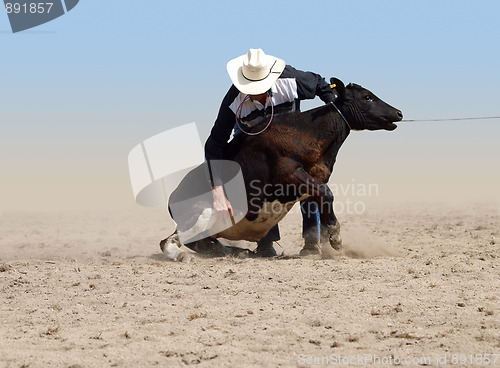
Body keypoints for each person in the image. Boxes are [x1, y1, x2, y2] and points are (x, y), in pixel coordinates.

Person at [205, 48, 337, 257]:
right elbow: (214, 144)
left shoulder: (292, 80)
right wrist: (218, 193)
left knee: (309, 181)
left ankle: (312, 241)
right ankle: (266, 243)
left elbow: (321, 84)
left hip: (294, 146)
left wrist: (334, 112)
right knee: (258, 182)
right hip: (257, 149)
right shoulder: (233, 100)